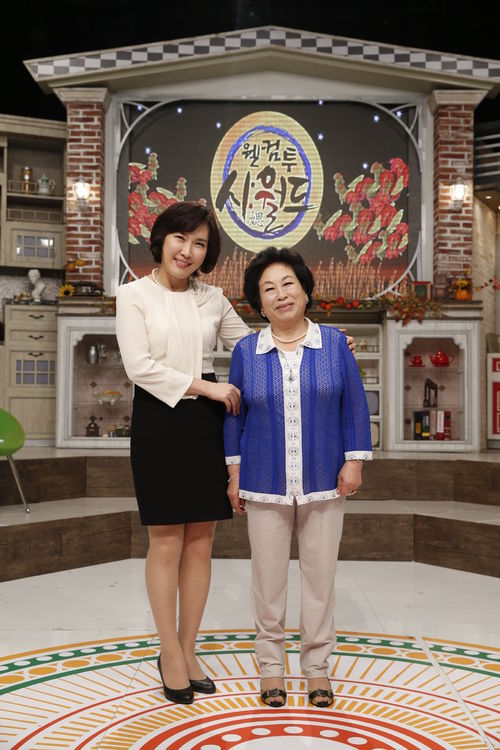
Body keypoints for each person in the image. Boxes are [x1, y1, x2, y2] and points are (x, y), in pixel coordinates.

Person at [116, 201, 357, 706]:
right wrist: (208, 387)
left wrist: (324, 346)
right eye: (181, 238)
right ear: (161, 240)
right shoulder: (133, 295)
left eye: (200, 243)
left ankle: (189, 649)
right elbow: (139, 367)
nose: (188, 250)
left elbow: (257, 345)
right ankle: (168, 652)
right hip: (161, 420)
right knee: (166, 542)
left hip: (205, 424)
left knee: (200, 542)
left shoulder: (212, 299)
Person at [224, 247, 372, 709]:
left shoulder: (335, 345)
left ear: (305, 290)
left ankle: (317, 667)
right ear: (259, 303)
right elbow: (234, 417)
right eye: (268, 289)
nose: (280, 294)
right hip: (263, 481)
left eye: (288, 283)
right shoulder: (247, 351)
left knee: (320, 578)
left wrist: (355, 461)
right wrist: (234, 473)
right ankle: (271, 666)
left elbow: (355, 405)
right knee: (267, 581)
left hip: (325, 479)